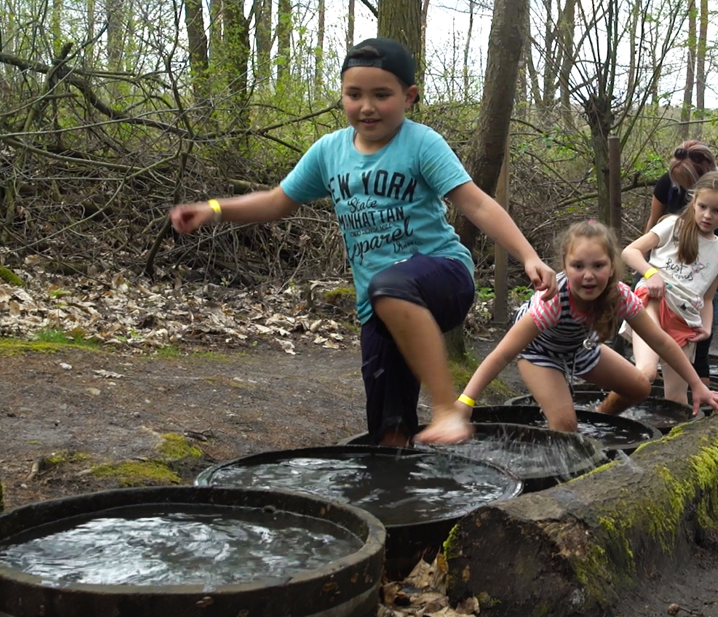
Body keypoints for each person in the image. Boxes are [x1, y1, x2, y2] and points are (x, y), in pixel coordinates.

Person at [170, 37, 557, 447]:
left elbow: (476, 204)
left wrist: (528, 256)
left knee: (389, 286)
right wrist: (214, 209)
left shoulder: (422, 143)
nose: (367, 106)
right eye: (354, 95)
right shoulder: (329, 152)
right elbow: (276, 201)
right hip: (378, 307)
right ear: (342, 95)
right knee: (388, 431)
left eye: (381, 95)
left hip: (444, 276)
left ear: (409, 97)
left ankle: (447, 409)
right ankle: (403, 493)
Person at [417, 220, 718, 444]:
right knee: (564, 425)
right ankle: (559, 457)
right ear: (564, 266)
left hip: (578, 348)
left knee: (639, 387)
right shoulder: (553, 301)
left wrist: (697, 385)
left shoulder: (620, 295)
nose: (588, 275)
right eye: (578, 266)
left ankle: (597, 419)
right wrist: (465, 402)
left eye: (598, 265)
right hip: (537, 352)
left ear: (612, 267)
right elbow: (503, 353)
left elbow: (662, 343)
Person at [622, 173, 718, 406]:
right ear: (693, 202)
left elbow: (706, 298)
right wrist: (650, 273)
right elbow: (630, 252)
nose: (707, 215)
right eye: (703, 206)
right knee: (646, 374)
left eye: (716, 211)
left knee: (677, 399)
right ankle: (603, 414)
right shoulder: (673, 225)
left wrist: (706, 327)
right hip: (652, 302)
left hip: (684, 319)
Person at [643, 141, 717, 383]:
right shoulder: (668, 188)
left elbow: (707, 298)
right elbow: (653, 223)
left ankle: (702, 398)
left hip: (706, 267)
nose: (706, 214)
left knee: (700, 342)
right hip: (669, 261)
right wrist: (648, 268)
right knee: (653, 339)